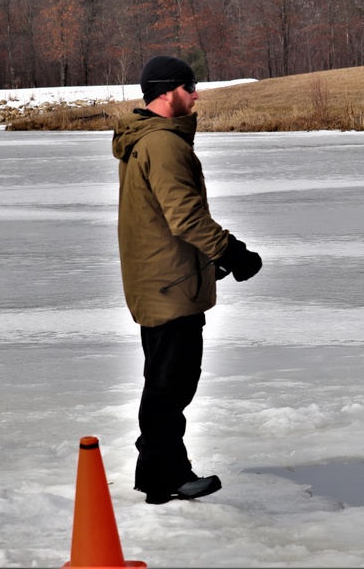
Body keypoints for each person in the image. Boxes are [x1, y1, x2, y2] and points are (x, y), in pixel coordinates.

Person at [112, 55, 263, 505]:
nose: (196, 93)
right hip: (168, 288)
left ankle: (162, 470)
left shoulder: (148, 140)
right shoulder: (163, 144)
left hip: (165, 279)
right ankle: (163, 476)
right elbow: (185, 216)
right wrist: (233, 253)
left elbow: (162, 219)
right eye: (189, 85)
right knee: (170, 385)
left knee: (167, 382)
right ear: (165, 92)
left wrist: (204, 263)